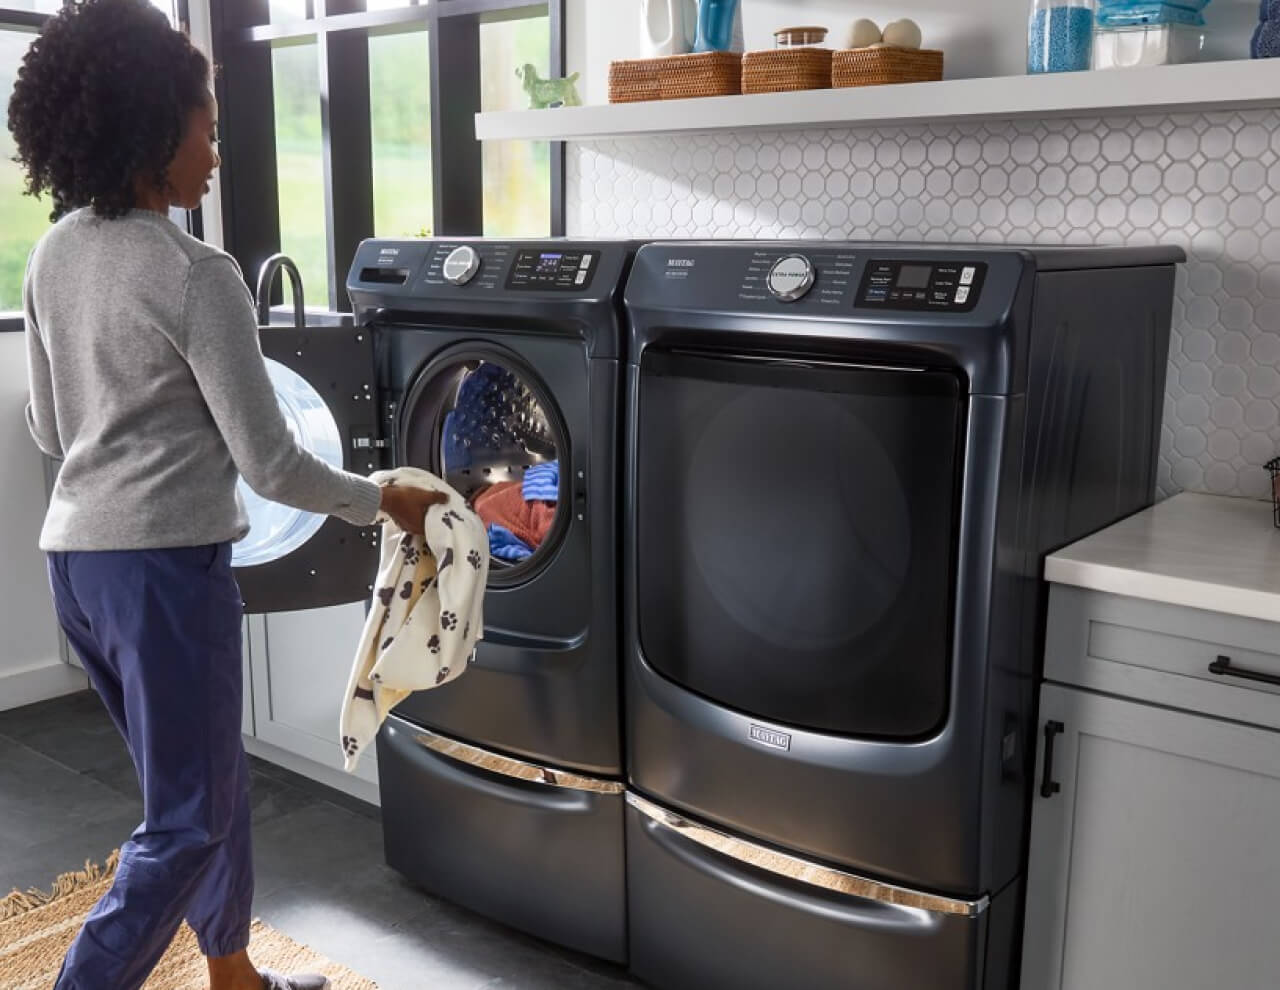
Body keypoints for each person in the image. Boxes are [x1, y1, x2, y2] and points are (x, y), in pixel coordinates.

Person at [7, 2, 443, 988]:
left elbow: (46, 429)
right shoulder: (198, 274)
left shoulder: (52, 254)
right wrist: (386, 500)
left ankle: (233, 971)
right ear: (151, 131)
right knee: (190, 816)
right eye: (204, 124)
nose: (215, 147)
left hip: (76, 568)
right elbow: (274, 466)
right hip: (164, 571)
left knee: (207, 788)